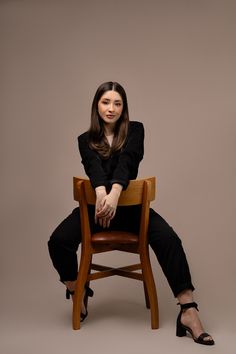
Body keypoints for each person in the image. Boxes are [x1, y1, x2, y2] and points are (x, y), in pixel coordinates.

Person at [48, 81, 214, 345]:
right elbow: (93, 167)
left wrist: (114, 194)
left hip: (131, 210)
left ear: (124, 108)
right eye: (105, 102)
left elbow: (129, 161)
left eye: (117, 103)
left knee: (169, 239)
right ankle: (77, 291)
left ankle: (188, 311)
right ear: (96, 106)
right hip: (95, 211)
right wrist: (102, 196)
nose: (111, 108)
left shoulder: (135, 130)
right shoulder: (85, 139)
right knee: (58, 241)